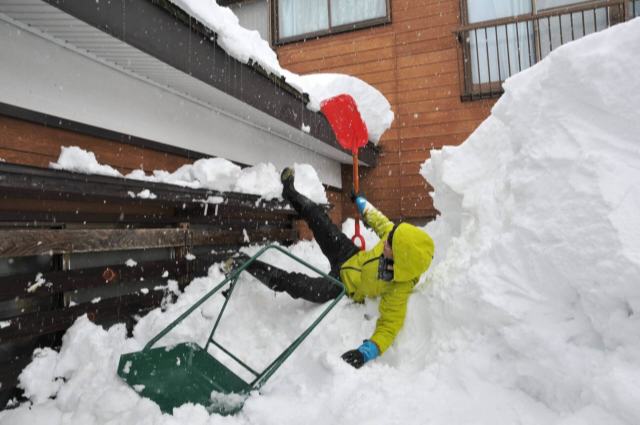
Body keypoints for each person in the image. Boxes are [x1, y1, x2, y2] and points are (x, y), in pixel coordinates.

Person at [232, 167, 434, 368]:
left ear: (402, 259)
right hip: (348, 254)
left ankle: (245, 264)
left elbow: (389, 327)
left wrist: (366, 352)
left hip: (341, 285)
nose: (385, 243)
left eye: (390, 245)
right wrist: (360, 201)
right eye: (389, 239)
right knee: (319, 219)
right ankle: (290, 192)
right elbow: (379, 220)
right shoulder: (393, 235)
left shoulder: (398, 287)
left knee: (296, 284)